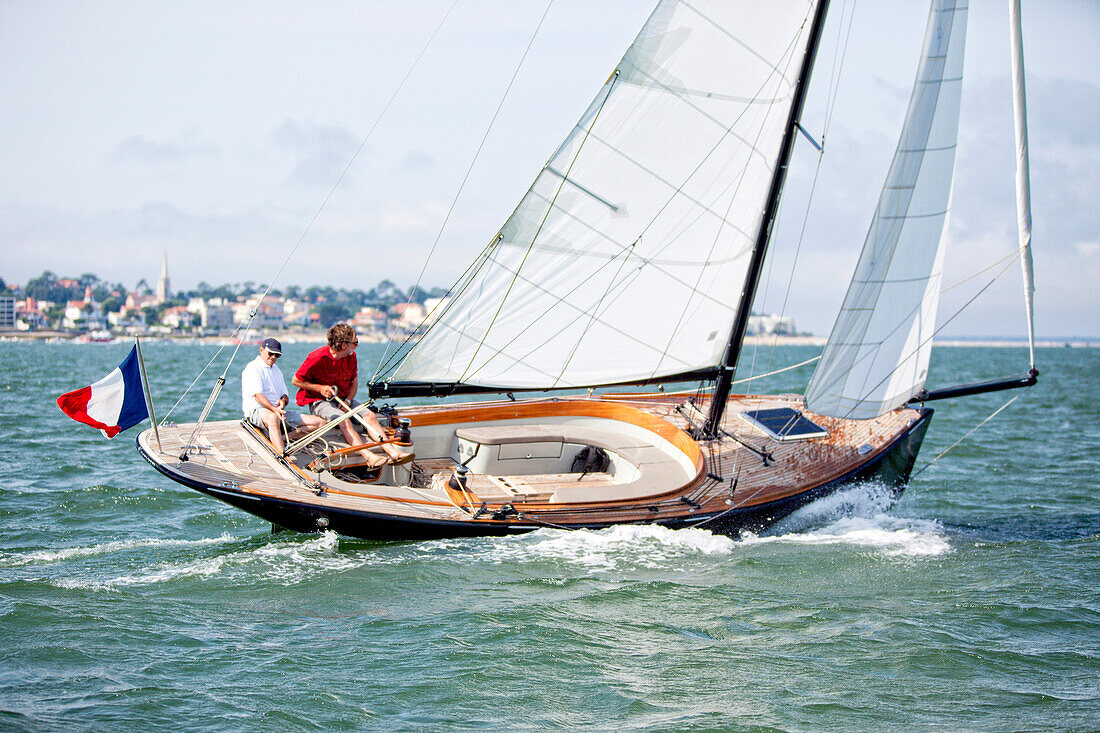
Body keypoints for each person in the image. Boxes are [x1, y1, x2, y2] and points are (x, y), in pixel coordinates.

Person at [292, 323, 412, 468]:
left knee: (370, 417)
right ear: (344, 345)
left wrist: (348, 400)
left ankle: (392, 452)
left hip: (344, 398)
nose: (357, 346)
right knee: (344, 420)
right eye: (355, 343)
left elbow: (354, 383)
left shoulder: (351, 357)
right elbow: (296, 380)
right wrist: (319, 388)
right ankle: (368, 456)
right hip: (320, 401)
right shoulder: (316, 357)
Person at [241, 338, 326, 454]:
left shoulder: (277, 370)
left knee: (320, 423)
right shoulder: (252, 368)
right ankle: (281, 454)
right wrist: (274, 409)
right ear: (261, 350)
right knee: (272, 418)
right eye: (271, 353)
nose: (273, 357)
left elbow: (284, 394)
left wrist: (283, 401)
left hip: (277, 411)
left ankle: (283, 439)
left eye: (277, 355)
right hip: (258, 411)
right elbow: (257, 396)